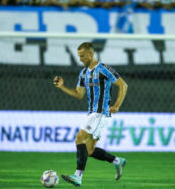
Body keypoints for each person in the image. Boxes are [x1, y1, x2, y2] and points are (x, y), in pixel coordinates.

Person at [53, 42, 128, 187]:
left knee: (79, 138)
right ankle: (118, 161)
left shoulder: (104, 69)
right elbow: (78, 94)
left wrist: (117, 105)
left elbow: (123, 85)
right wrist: (62, 87)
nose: (80, 58)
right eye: (79, 56)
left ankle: (77, 176)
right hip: (92, 113)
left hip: (101, 113)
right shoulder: (83, 73)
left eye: (82, 56)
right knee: (89, 150)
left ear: (91, 54)